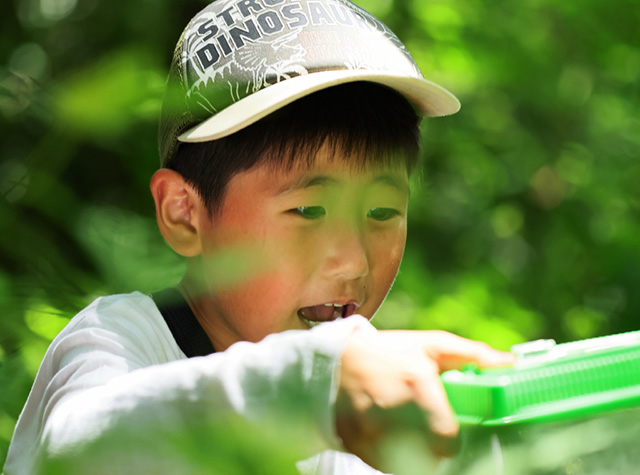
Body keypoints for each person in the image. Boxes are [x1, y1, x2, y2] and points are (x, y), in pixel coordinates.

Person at [3, 1, 514, 473]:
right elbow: (81, 445)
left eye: (382, 211)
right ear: (184, 214)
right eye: (309, 209)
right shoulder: (120, 340)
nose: (353, 262)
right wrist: (311, 387)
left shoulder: (352, 435)